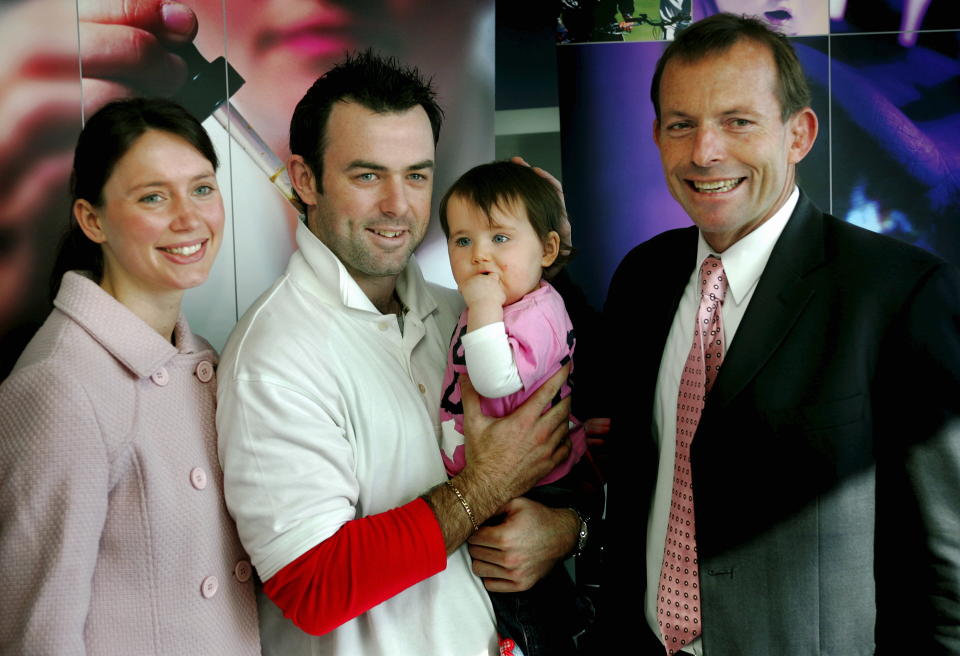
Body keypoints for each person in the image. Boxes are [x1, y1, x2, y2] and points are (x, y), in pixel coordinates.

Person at [596, 13, 960, 655]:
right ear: (657, 136)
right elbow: (632, 486)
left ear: (799, 134)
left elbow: (946, 580)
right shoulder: (640, 280)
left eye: (738, 121)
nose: (705, 152)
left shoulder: (898, 294)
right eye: (682, 124)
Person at [215, 51, 583, 656]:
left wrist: (565, 530)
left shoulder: (463, 316)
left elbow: (567, 453)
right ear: (305, 180)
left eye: (416, 175)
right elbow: (313, 585)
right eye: (367, 176)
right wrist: (485, 485)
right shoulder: (274, 354)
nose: (398, 205)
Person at [0, 98, 260, 654]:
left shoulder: (203, 359)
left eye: (202, 188)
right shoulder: (59, 386)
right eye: (153, 197)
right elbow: (39, 634)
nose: (189, 218)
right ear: (92, 220)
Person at [437, 160, 590, 655]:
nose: (480, 255)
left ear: (547, 248)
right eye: (463, 242)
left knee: (516, 598)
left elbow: (495, 377)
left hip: (535, 484)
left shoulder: (536, 312)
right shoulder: (508, 305)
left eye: (500, 238)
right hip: (505, 477)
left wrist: (481, 306)